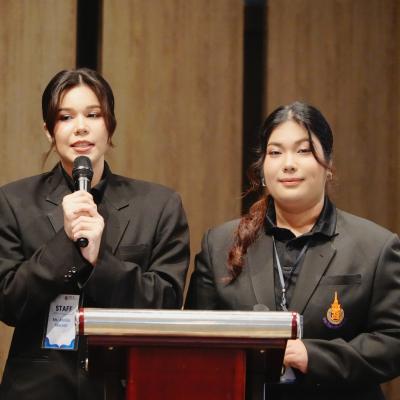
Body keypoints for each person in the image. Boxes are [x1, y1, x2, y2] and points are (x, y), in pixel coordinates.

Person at [185, 101, 400, 400]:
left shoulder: (376, 246)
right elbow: (195, 341)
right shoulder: (219, 243)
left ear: (328, 165)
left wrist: (312, 356)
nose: (288, 163)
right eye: (275, 152)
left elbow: (392, 341)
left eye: (303, 151)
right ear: (262, 168)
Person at [0, 68, 190, 399]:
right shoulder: (14, 201)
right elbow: (8, 302)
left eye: (93, 114)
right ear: (48, 131)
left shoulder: (159, 205)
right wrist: (65, 244)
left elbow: (166, 305)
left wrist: (99, 261)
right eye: (65, 117)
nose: (81, 127)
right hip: (39, 389)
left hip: (125, 385)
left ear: (110, 125)